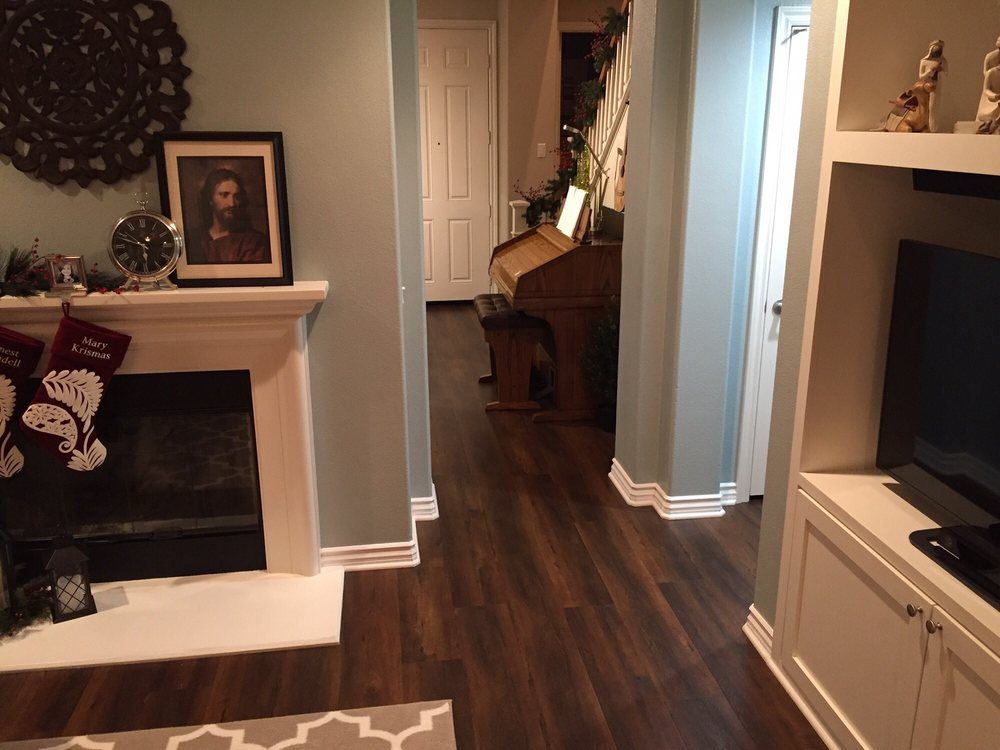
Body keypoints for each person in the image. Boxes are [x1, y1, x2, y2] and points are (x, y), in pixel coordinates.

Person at [195, 168, 270, 264]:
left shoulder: (253, 241)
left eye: (236, 197)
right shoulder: (196, 238)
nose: (232, 203)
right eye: (224, 195)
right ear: (210, 199)